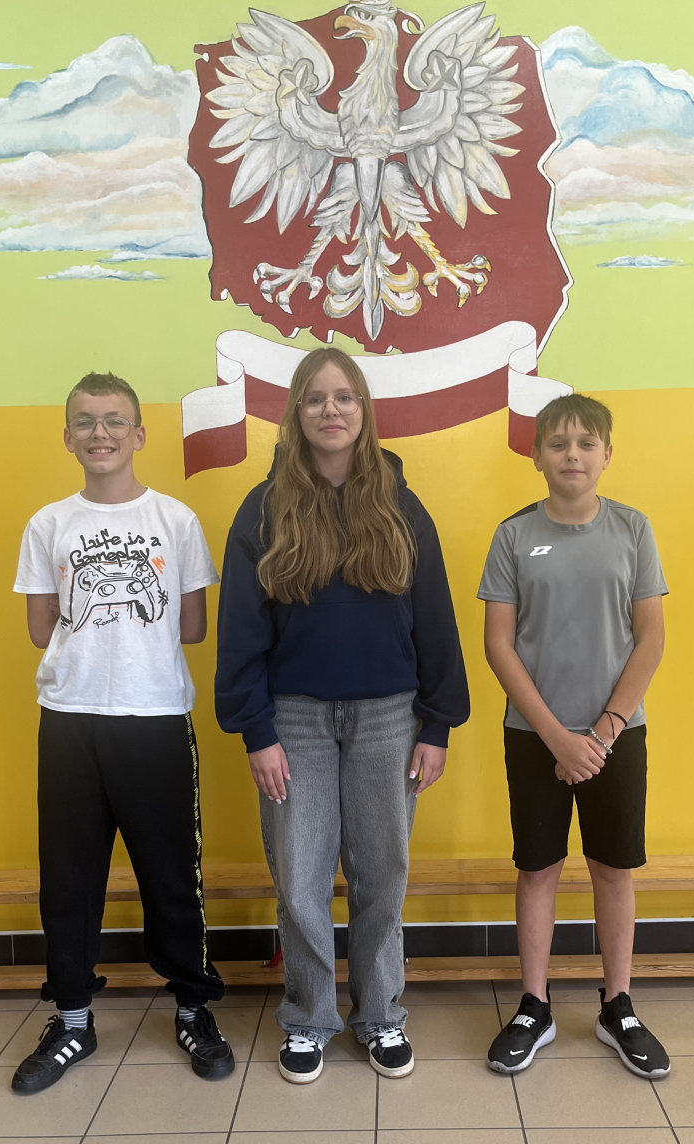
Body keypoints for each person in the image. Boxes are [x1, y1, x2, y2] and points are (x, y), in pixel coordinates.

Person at [215, 347, 469, 1084]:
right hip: (291, 721)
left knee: (381, 873)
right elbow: (240, 631)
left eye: (345, 397)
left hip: (389, 717)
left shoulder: (400, 506)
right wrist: (256, 730)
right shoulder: (263, 510)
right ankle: (308, 1018)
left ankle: (381, 1013)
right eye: (316, 398)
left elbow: (436, 620)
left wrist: (437, 723)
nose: (331, 410)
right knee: (299, 877)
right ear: (296, 413)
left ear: (364, 410)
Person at [11, 371, 233, 1094]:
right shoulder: (48, 524)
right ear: (67, 436)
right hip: (69, 721)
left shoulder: (176, 520)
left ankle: (194, 1008)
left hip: (155, 718)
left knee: (172, 876)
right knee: (68, 878)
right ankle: (72, 1020)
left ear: (138, 434)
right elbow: (39, 627)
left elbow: (193, 628)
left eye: (113, 420)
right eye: (85, 421)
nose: (99, 433)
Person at [478, 393, 670, 1080]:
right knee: (538, 869)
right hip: (536, 735)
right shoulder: (513, 535)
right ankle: (535, 1006)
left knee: (613, 868)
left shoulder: (633, 529)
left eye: (587, 443)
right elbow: (499, 645)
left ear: (607, 454)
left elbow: (651, 638)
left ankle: (619, 1006)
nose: (572, 455)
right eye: (558, 443)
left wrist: (605, 730)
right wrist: (559, 738)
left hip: (617, 735)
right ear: (536, 456)